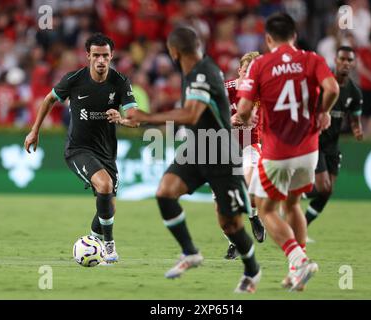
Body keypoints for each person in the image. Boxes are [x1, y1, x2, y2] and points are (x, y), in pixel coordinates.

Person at [127, 26, 261, 293]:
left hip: (220, 152)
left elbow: (190, 114)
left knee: (231, 224)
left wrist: (147, 117)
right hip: (197, 147)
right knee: (165, 192)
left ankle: (252, 270)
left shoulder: (203, 73)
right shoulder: (195, 71)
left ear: (174, 52)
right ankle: (190, 252)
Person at [237, 12, 339, 291]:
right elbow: (332, 87)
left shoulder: (260, 65)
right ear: (294, 36)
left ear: (268, 39)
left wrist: (242, 117)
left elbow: (244, 110)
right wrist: (323, 112)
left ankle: (299, 258)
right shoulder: (312, 59)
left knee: (265, 208)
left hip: (277, 151)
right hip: (308, 149)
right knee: (292, 204)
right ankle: (296, 273)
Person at [24, 33, 139, 264]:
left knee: (109, 207)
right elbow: (48, 100)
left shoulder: (120, 81)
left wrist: (122, 119)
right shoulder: (74, 80)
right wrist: (35, 131)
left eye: (105, 56)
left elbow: (135, 118)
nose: (101, 60)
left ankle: (92, 242)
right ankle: (108, 247)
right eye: (96, 55)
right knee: (105, 186)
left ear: (111, 56)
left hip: (107, 153)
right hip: (78, 149)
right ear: (88, 56)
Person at [305, 46, 363, 229]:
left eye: (349, 60)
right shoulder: (324, 84)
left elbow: (355, 119)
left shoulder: (354, 93)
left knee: (327, 192)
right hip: (316, 142)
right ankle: (292, 194)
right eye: (342, 59)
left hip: (333, 145)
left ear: (353, 64)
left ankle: (301, 225)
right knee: (323, 187)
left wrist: (357, 130)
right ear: (336, 60)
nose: (346, 63)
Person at [223, 51, 266, 260]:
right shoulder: (226, 89)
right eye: (247, 70)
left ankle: (253, 217)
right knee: (222, 203)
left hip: (251, 145)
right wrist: (229, 120)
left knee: (248, 184)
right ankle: (233, 242)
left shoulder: (261, 93)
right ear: (240, 69)